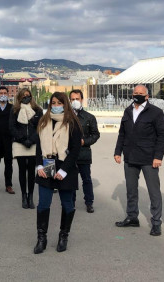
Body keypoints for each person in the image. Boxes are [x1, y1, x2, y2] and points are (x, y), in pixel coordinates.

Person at [114, 84, 164, 236]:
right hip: (130, 157)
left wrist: (158, 156)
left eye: (140, 93)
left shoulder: (155, 112)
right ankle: (132, 217)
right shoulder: (128, 110)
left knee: (154, 192)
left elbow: (163, 135)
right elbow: (122, 133)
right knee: (131, 190)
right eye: (135, 93)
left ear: (147, 96)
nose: (137, 95)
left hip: (149, 158)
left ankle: (156, 222)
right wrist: (118, 152)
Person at [33, 92, 82, 254]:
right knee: (43, 203)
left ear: (65, 104)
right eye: (53, 102)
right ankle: (42, 238)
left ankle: (63, 236)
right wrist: (39, 166)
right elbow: (39, 146)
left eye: (59, 102)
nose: (55, 105)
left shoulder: (72, 123)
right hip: (48, 163)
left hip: (65, 166)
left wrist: (63, 170)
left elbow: (75, 150)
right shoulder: (44, 121)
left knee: (67, 204)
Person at [9, 88, 43, 209]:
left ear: (31, 96)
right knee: (22, 170)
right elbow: (12, 128)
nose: (26, 98)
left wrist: (32, 140)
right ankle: (24, 196)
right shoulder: (14, 110)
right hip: (19, 143)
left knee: (32, 172)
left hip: (33, 144)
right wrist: (23, 139)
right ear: (19, 97)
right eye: (23, 96)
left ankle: (31, 196)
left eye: (28, 95)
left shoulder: (38, 110)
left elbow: (40, 127)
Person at [69, 89, 100, 213]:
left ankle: (89, 202)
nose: (75, 101)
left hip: (84, 153)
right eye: (73, 99)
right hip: (69, 154)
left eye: (77, 99)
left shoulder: (89, 117)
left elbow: (95, 134)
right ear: (69, 100)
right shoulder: (66, 116)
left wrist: (84, 141)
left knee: (86, 179)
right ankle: (71, 202)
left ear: (82, 100)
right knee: (71, 180)